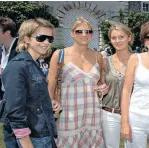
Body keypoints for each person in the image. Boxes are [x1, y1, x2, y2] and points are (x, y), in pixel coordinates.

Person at [47, 17, 107, 147]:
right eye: (79, 31)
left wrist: (103, 87)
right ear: (72, 33)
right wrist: (52, 102)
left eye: (88, 31)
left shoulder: (98, 56)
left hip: (92, 114)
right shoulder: (60, 54)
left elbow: (100, 83)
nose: (84, 34)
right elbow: (51, 82)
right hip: (68, 113)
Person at [2, 18, 60, 148]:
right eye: (41, 38)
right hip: (31, 139)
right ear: (27, 38)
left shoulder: (35, 64)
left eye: (50, 39)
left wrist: (48, 103)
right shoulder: (17, 67)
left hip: (44, 134)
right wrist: (27, 145)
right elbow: (15, 113)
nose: (46, 42)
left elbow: (32, 97)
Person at [102, 22, 133, 148]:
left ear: (129, 37)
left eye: (121, 37)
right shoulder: (105, 61)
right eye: (114, 38)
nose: (118, 41)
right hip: (110, 113)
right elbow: (100, 84)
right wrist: (100, 89)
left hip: (134, 114)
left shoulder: (139, 60)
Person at [0, 16, 18, 100]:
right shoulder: (1, 51)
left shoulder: (21, 50)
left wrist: (4, 72)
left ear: (7, 32)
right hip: (3, 95)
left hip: (17, 98)